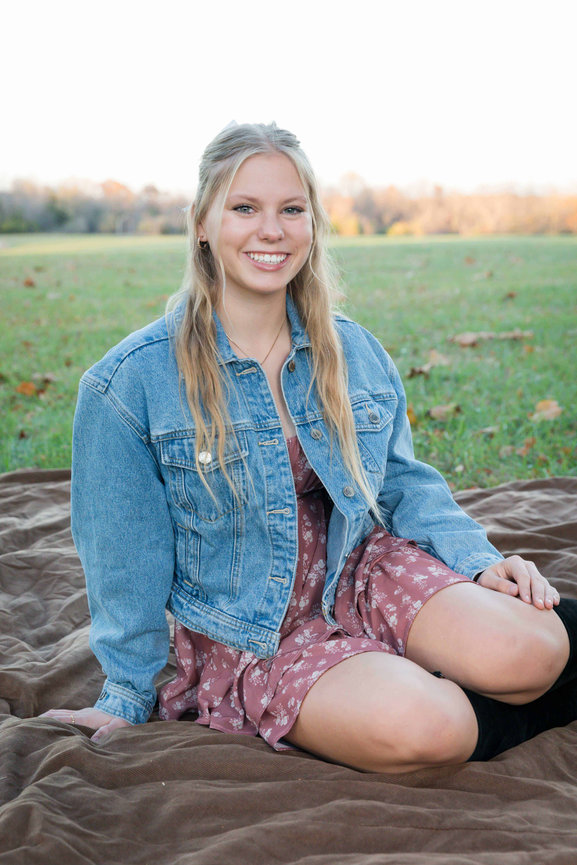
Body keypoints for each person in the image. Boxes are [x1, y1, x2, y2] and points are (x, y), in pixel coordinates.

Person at [41, 123, 577, 772]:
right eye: (245, 207)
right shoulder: (129, 384)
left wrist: (475, 561)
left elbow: (402, 483)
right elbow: (124, 561)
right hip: (253, 628)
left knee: (540, 647)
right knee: (428, 728)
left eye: (291, 209)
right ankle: (411, 691)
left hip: (359, 568)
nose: (271, 230)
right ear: (202, 223)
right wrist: (125, 696)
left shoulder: (350, 350)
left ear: (312, 225)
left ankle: (414, 660)